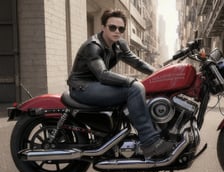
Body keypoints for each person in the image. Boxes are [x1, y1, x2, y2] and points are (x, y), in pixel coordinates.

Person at [67, 9, 173, 158]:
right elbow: (102, 75)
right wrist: (131, 81)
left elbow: (137, 63)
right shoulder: (93, 46)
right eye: (112, 27)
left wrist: (160, 74)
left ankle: (149, 133)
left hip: (96, 85)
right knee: (134, 89)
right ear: (103, 27)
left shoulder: (119, 45)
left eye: (121, 28)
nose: (117, 31)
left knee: (137, 88)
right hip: (83, 87)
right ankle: (150, 142)